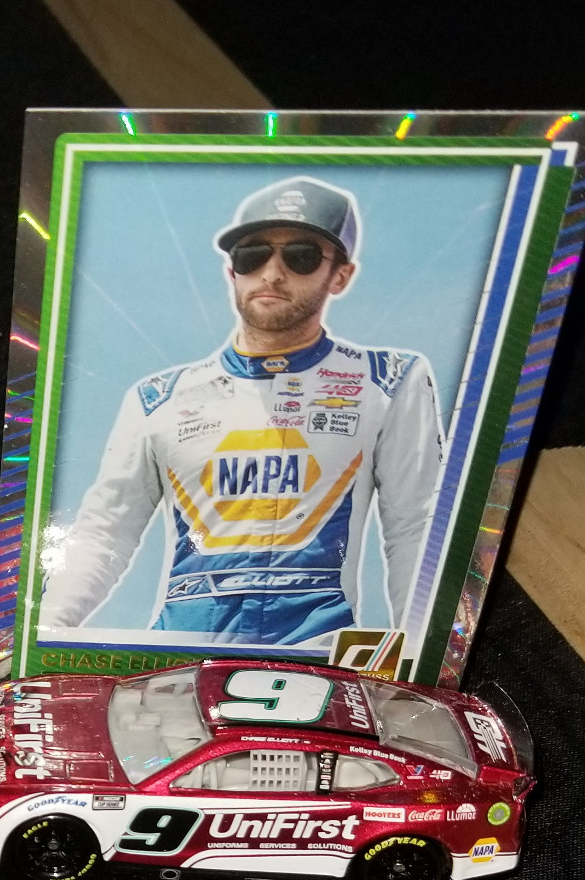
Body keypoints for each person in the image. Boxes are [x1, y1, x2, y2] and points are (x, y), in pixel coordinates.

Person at [41, 177, 444, 647]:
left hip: (316, 652)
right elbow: (104, 532)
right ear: (232, 271)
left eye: (301, 256)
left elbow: (416, 526)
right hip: (180, 655)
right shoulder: (159, 398)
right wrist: (43, 632)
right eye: (252, 255)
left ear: (341, 276)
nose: (272, 273)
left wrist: (424, 652)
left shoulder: (388, 381)